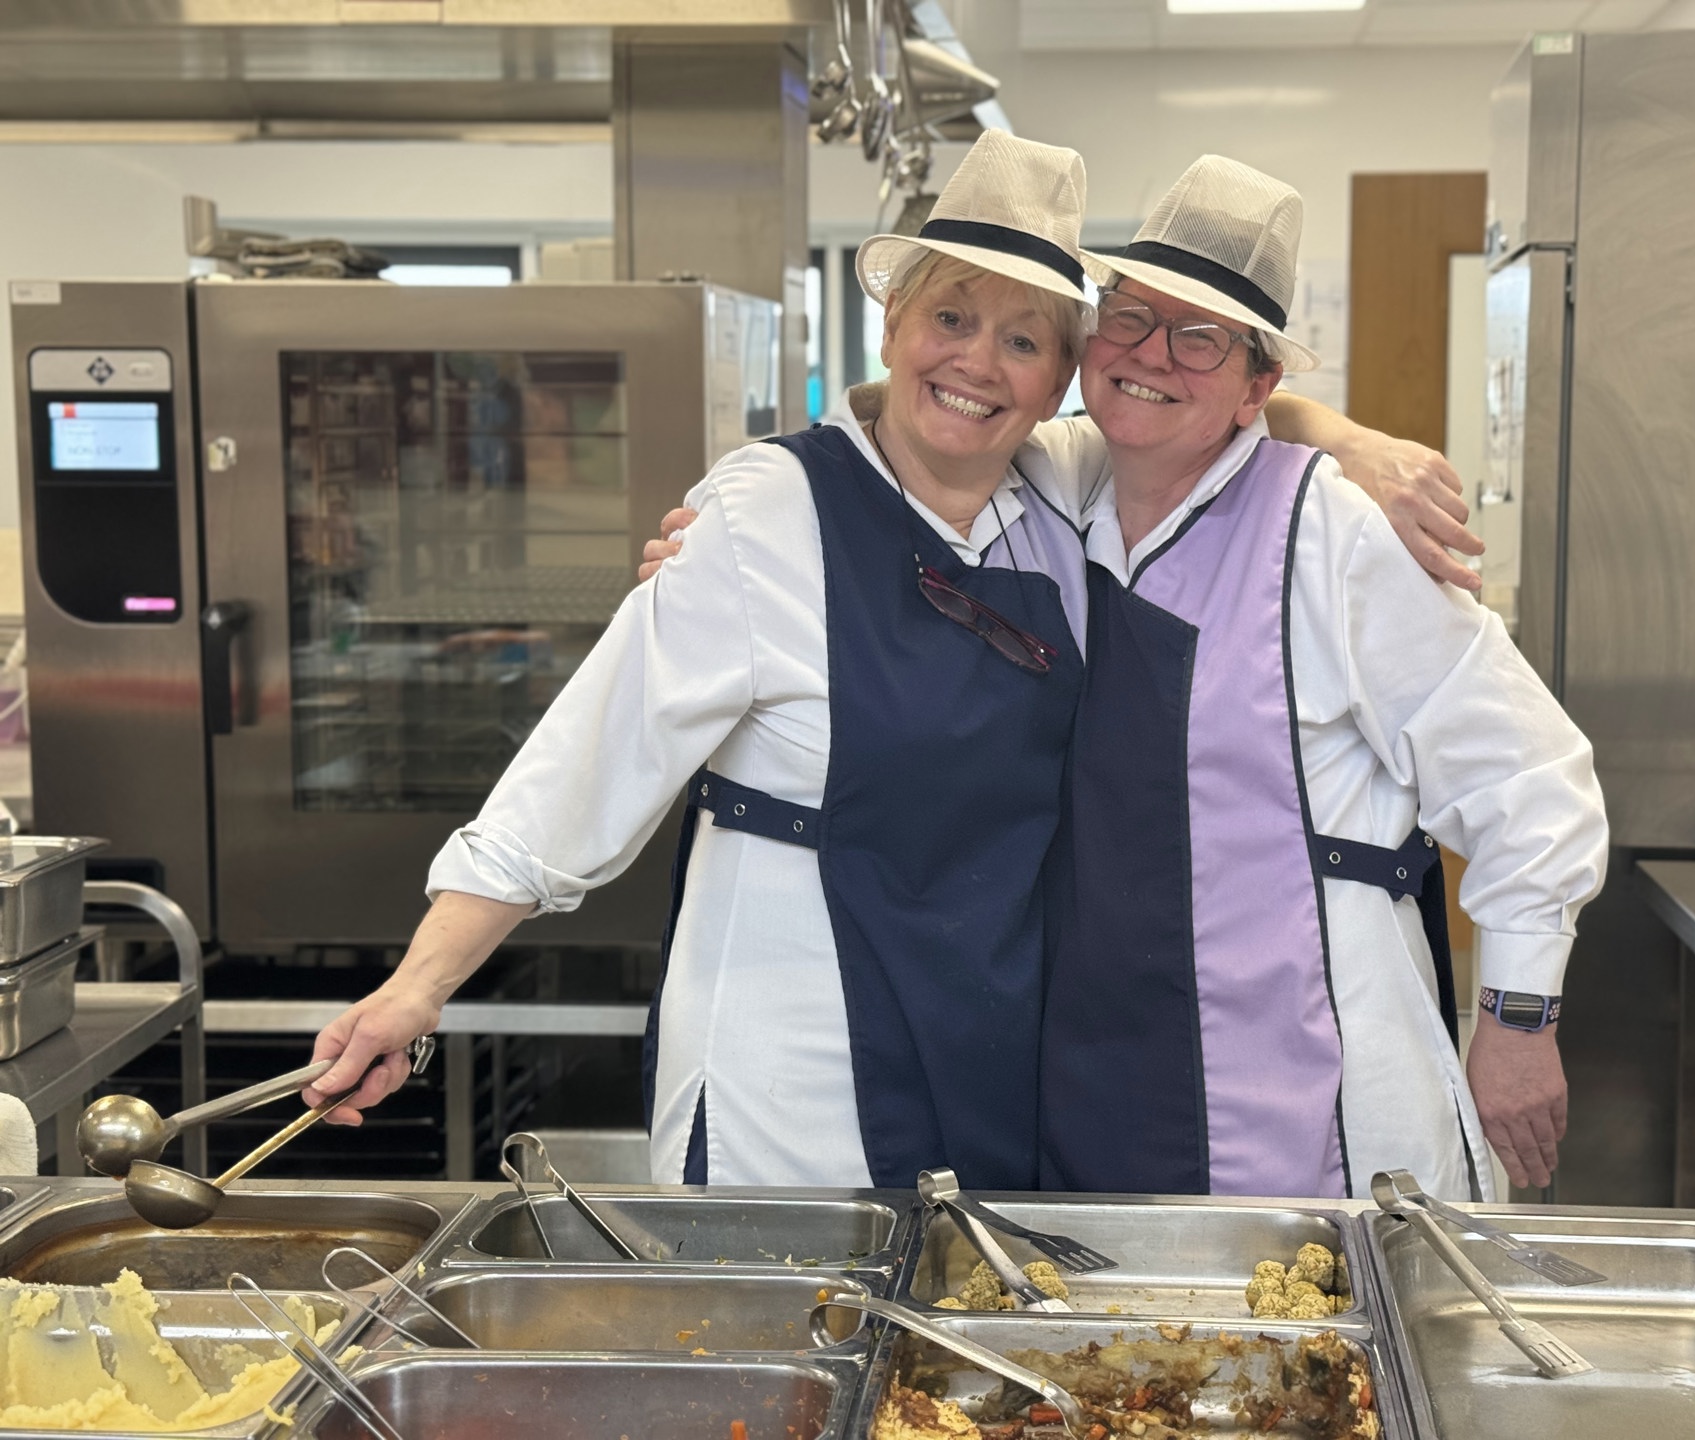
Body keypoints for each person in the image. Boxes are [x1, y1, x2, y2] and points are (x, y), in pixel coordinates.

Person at [302, 131, 1100, 1188]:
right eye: (950, 318)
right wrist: (417, 989)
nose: (976, 363)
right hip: (794, 1038)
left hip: (994, 1015)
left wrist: (1361, 445)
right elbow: (590, 758)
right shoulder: (766, 506)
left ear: (1059, 386)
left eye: (1023, 341)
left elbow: (1229, 423)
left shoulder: (1064, 496)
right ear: (893, 324)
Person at [1024, 156, 1607, 1201]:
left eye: (1200, 335)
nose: (1152, 353)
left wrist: (1518, 1020)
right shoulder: (1052, 491)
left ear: (1259, 385)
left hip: (1315, 1084)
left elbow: (1533, 783)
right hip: (1098, 1062)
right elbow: (924, 424)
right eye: (1130, 317)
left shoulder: (1333, 531)